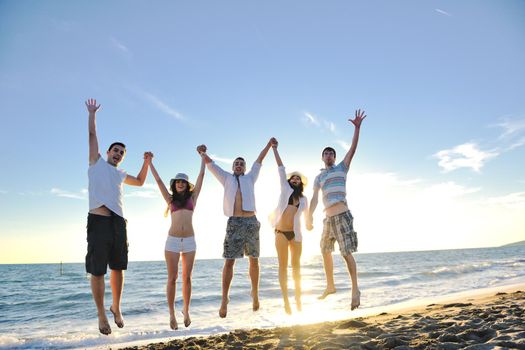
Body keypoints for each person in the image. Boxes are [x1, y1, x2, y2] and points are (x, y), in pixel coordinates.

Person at [85, 98, 152, 335]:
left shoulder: (121, 174)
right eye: (116, 150)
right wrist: (92, 113)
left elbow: (142, 182)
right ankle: (102, 314)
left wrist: (146, 162)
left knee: (118, 268)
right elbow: (92, 135)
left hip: (118, 222)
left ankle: (116, 307)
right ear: (108, 152)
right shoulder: (96, 163)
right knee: (97, 271)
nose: (119, 154)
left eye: (122, 153)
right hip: (98, 220)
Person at [197, 138, 275, 318]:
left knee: (254, 259)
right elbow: (211, 165)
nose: (239, 165)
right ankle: (225, 298)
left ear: (245, 168)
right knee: (229, 260)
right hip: (234, 223)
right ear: (233, 167)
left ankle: (254, 292)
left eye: (241, 164)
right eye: (236, 164)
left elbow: (259, 160)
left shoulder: (250, 177)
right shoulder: (226, 178)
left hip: (251, 221)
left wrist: (269, 146)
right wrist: (201, 153)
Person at [308, 109, 367, 311]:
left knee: (345, 253)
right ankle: (330, 285)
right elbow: (314, 198)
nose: (329, 155)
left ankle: (355, 289)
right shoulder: (319, 177)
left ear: (335, 156)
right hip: (327, 219)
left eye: (332, 153)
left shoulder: (342, 167)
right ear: (322, 157)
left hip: (342, 215)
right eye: (326, 153)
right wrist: (309, 216)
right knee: (324, 250)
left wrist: (357, 128)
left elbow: (353, 149)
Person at [148, 150, 205, 330]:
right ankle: (172, 315)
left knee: (187, 278)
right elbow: (158, 181)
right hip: (172, 241)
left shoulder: (193, 198)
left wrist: (203, 157)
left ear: (187, 185)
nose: (180, 184)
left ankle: (186, 311)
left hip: (189, 241)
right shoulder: (170, 199)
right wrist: (149, 162)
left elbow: (202, 175)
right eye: (178, 181)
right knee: (172, 278)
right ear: (175, 184)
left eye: (183, 182)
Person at [269, 140, 312, 314]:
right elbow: (281, 168)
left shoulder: (303, 199)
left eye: (297, 178)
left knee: (296, 267)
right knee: (282, 266)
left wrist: (310, 224)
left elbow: (307, 216)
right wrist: (274, 149)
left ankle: (298, 298)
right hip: (280, 232)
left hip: (296, 235)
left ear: (300, 182)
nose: (295, 179)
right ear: (289, 181)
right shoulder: (284, 190)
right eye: (292, 177)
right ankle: (286, 300)